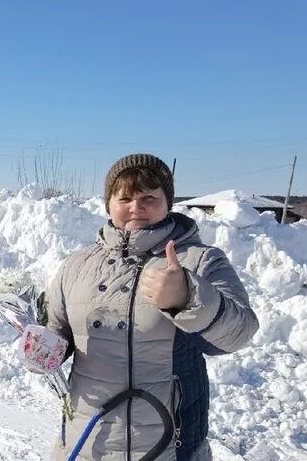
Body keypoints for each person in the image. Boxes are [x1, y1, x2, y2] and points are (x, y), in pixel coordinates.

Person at [41, 153, 258, 460]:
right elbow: (58, 331)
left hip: (169, 445)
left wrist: (189, 298)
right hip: (88, 441)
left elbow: (240, 334)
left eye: (149, 197)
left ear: (167, 202)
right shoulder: (76, 266)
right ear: (109, 204)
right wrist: (44, 350)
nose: (136, 207)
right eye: (125, 197)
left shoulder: (201, 260)